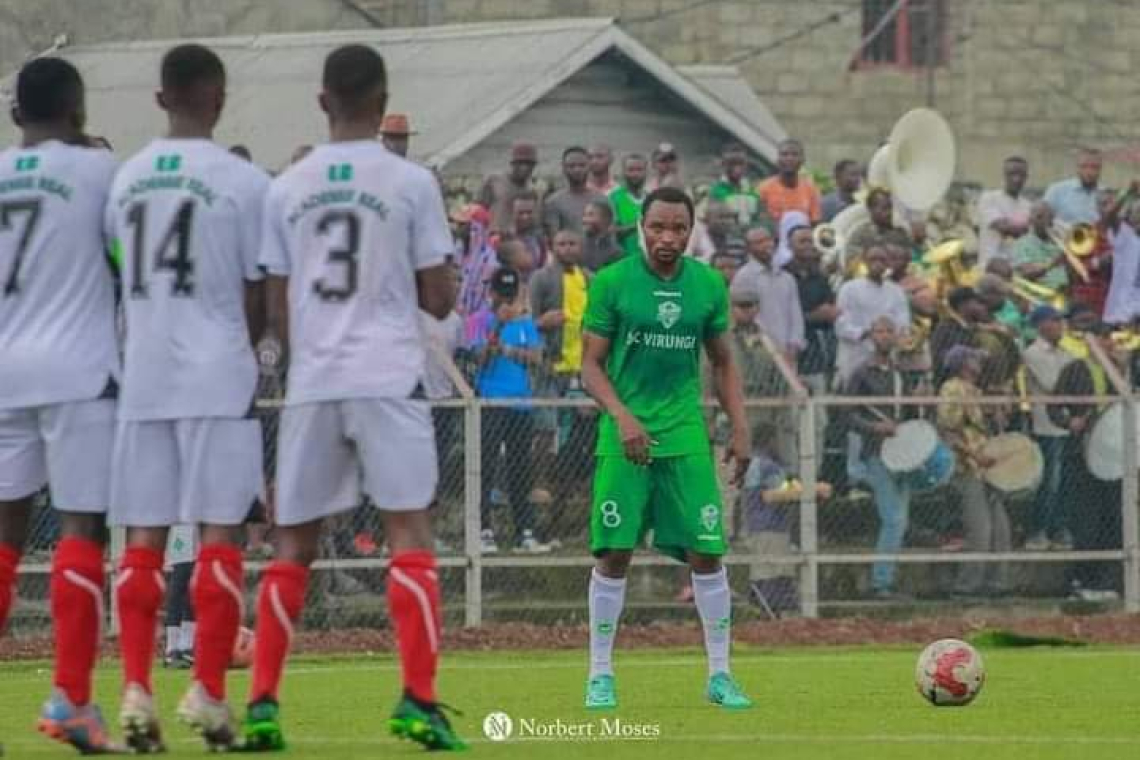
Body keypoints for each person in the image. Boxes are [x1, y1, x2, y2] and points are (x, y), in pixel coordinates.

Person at [250, 44, 466, 751]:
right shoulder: (409, 182)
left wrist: (310, 347)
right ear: (382, 104)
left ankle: (262, 706)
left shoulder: (286, 187)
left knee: (293, 545)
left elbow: (277, 305)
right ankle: (417, 700)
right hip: (388, 375)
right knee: (409, 534)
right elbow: (437, 298)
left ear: (322, 101)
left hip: (316, 379)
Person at [103, 44, 269, 753]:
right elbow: (260, 293)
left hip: (144, 375)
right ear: (220, 97)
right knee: (218, 537)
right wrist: (243, 350)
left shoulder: (125, 181)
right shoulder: (245, 181)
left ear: (159, 97)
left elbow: (117, 274)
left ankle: (137, 688)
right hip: (216, 376)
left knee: (142, 536)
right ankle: (206, 690)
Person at [580, 186, 753, 710]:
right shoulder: (613, 283)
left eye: (678, 228)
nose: (667, 238)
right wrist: (623, 415)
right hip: (624, 436)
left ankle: (721, 675)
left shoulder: (706, 286)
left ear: (691, 230)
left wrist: (740, 425)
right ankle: (600, 674)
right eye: (658, 227)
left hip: (684, 436)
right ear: (641, 228)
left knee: (708, 551)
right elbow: (589, 366)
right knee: (615, 553)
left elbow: (723, 361)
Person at [0, 57, 120, 754]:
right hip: (78, 373)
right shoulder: (102, 172)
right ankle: (71, 698)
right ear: (79, 117)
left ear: (17, 115)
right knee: (81, 528)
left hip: (5, 371)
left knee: (5, 536)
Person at [471, 268, 546, 554]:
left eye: (510, 294)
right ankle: (483, 528)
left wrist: (508, 349)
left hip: (520, 403)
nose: (505, 300)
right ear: (491, 293)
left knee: (520, 469)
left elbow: (536, 359)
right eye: (501, 294)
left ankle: (524, 531)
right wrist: (496, 332)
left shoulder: (525, 324)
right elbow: (479, 358)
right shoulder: (481, 321)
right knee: (485, 468)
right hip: (490, 402)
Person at [844, 316, 920, 599]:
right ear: (871, 335)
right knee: (894, 518)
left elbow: (910, 412)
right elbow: (845, 414)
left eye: (890, 331)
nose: (886, 336)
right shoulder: (861, 373)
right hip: (877, 451)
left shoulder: (900, 372)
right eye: (880, 331)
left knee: (901, 519)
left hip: (902, 453)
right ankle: (881, 582)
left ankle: (887, 579)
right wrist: (874, 427)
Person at [936, 346, 1011, 596]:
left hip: (988, 467)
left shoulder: (978, 391)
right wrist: (973, 455)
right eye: (973, 359)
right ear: (963, 363)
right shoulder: (952, 388)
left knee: (1001, 529)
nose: (979, 362)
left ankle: (997, 582)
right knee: (980, 529)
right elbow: (947, 430)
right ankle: (966, 586)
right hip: (968, 466)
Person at [742, 423, 832, 615]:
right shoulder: (767, 465)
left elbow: (784, 487)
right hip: (769, 527)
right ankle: (766, 613)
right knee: (773, 575)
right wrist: (813, 490)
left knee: (769, 572)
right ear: (770, 441)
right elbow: (773, 495)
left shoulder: (755, 462)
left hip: (761, 527)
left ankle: (763, 611)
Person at [1022, 306, 1076, 551]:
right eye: (1055, 320)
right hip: (1047, 425)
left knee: (1065, 482)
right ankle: (1037, 530)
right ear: (1041, 324)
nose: (1060, 325)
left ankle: (1058, 529)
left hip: (1068, 424)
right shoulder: (1033, 353)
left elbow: (1078, 383)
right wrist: (1073, 381)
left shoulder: (1066, 353)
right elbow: (1054, 383)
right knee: (1049, 481)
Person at [834, 244, 911, 385]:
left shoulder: (896, 291)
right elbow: (841, 326)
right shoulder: (849, 289)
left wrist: (888, 337)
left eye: (882, 260)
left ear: (888, 263)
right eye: (873, 259)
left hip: (887, 357)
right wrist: (868, 334)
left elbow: (903, 324)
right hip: (855, 355)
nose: (878, 263)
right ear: (864, 261)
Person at [731, 225, 805, 360]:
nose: (766, 245)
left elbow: (795, 314)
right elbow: (744, 318)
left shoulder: (787, 278)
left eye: (768, 240)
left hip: (788, 351)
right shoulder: (744, 277)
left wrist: (794, 344)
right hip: (759, 352)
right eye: (759, 242)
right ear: (749, 248)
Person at [977, 156, 1032, 265]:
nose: (1016, 179)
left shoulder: (1028, 206)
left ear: (1026, 177)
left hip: (1018, 269)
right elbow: (1004, 227)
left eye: (1021, 175)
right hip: (990, 268)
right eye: (1011, 174)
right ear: (1004, 175)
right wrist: (1031, 225)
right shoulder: (989, 198)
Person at [479, 141, 541, 233]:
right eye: (520, 163)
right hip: (493, 238)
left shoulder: (532, 191)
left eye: (529, 164)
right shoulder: (494, 180)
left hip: (518, 238)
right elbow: (479, 209)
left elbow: (533, 222)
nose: (524, 167)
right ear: (512, 163)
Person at [755, 139, 821, 224]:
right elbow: (762, 221)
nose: (790, 158)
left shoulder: (811, 188)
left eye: (795, 154)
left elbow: (815, 221)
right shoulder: (764, 188)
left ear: (802, 160)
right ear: (778, 160)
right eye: (784, 154)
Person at [543, 146, 603, 238]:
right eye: (571, 166)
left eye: (582, 165)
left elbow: (608, 235)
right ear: (563, 168)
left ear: (589, 167)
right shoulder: (553, 202)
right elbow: (554, 239)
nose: (577, 170)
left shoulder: (601, 199)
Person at [1011, 201, 1068, 293]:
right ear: (1031, 220)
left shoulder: (1061, 242)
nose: (1044, 221)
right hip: (1040, 295)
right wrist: (1053, 263)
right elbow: (1027, 273)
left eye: (1048, 217)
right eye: (1039, 217)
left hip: (1065, 292)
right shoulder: (1021, 244)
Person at [845, 188, 914, 263]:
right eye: (884, 208)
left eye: (889, 207)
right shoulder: (860, 235)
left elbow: (913, 258)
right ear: (871, 209)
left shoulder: (899, 234)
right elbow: (851, 263)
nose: (888, 213)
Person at [707, 142, 764, 228]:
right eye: (732, 163)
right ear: (723, 164)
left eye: (741, 163)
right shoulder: (716, 190)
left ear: (746, 165)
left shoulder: (752, 189)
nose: (737, 168)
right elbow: (716, 222)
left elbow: (761, 217)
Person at [1044, 147, 1102, 225]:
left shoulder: (1106, 194)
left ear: (1100, 168)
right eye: (1084, 166)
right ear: (1077, 167)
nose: (1089, 172)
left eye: (1094, 167)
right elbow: (1043, 219)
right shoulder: (1056, 190)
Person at [609, 153, 649, 258]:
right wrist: (639, 223)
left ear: (646, 172)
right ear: (623, 172)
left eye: (639, 170)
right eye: (631, 170)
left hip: (649, 262)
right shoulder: (614, 198)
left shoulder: (652, 198)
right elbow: (611, 232)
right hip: (623, 261)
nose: (635, 174)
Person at [511, 190, 546, 275]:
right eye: (520, 213)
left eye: (529, 212)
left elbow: (542, 267)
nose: (525, 217)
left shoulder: (539, 239)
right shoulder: (501, 238)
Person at [581, 198, 622, 272]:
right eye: (584, 215)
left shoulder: (615, 252)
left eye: (590, 215)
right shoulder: (577, 245)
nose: (585, 219)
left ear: (606, 219)